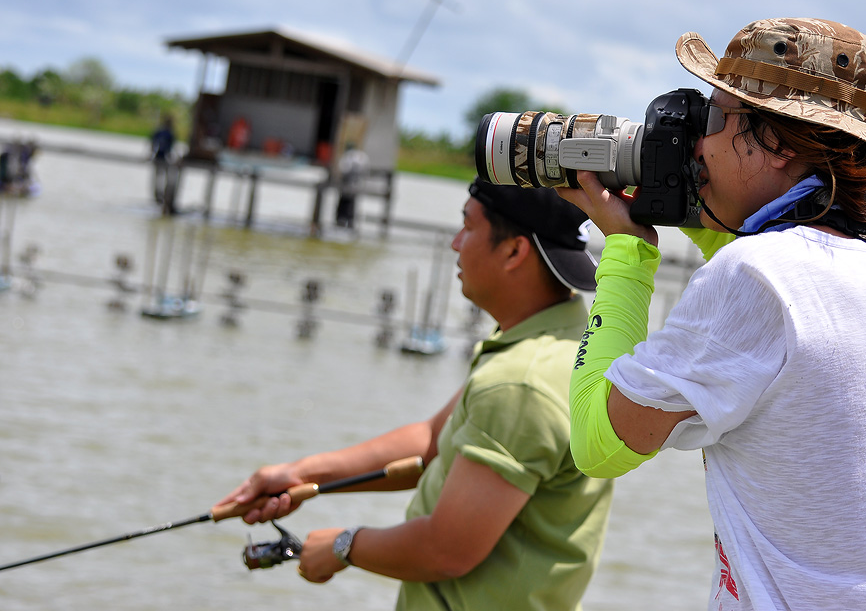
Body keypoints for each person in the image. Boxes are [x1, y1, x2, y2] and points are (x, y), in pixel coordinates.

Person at [560, 18, 866, 610]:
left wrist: (628, 250)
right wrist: (713, 225)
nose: (695, 145)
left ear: (778, 143)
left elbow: (598, 442)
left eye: (711, 119)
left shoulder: (758, 276)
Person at [215, 179, 613, 610]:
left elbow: (446, 551)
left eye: (468, 227)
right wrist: (302, 475)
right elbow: (431, 442)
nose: (455, 244)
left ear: (515, 251)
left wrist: (344, 545)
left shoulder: (521, 382)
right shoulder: (569, 337)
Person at [335, 143, 369, 229]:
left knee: (345, 201)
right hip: (354, 184)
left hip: (348, 184)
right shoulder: (361, 156)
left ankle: (342, 220)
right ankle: (348, 220)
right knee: (350, 202)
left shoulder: (347, 156)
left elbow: (343, 169)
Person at [150, 115, 178, 214]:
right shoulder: (167, 133)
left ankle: (160, 197)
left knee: (159, 178)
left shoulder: (163, 132)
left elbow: (153, 144)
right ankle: (159, 197)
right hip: (162, 158)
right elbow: (154, 144)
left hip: (162, 158)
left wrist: (151, 154)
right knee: (159, 178)